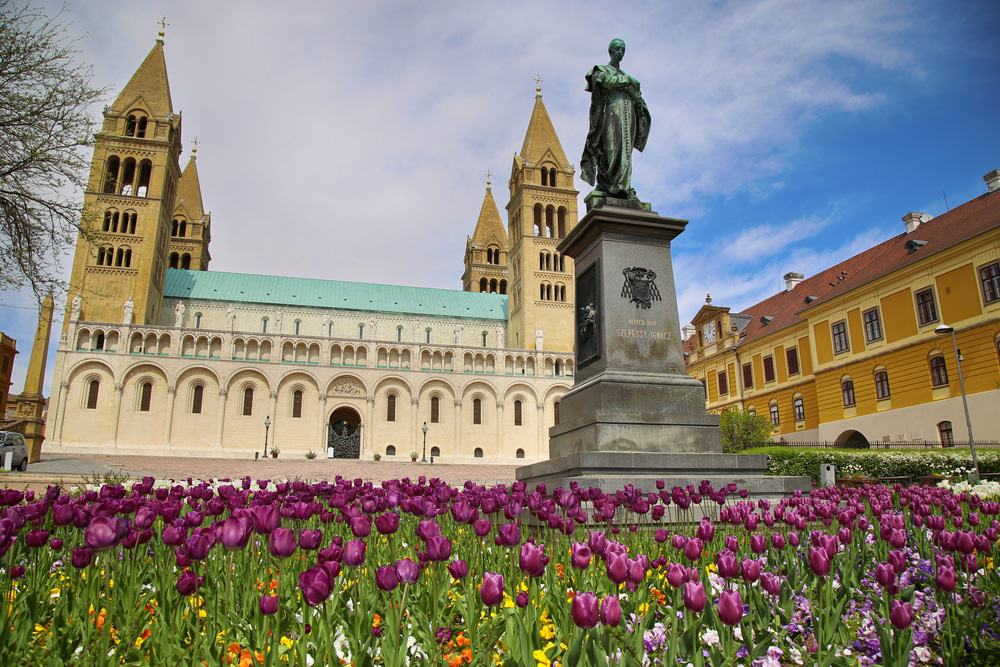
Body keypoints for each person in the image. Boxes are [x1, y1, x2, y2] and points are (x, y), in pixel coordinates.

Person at [580, 38, 651, 201]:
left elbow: (636, 96)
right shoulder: (601, 69)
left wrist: (638, 103)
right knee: (611, 147)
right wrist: (628, 81)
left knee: (626, 151)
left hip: (628, 114)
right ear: (610, 51)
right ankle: (609, 185)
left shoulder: (626, 76)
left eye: (622, 50)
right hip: (612, 111)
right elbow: (602, 81)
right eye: (617, 49)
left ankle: (623, 186)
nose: (620, 52)